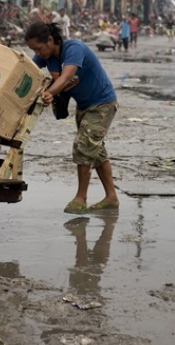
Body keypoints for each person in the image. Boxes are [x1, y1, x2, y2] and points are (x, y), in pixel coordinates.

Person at [25, 21, 119, 214]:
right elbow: (27, 68)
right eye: (34, 49)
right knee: (96, 151)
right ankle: (111, 197)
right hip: (84, 106)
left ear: (51, 40)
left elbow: (66, 78)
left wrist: (49, 93)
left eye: (39, 48)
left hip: (102, 104)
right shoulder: (47, 57)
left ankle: (81, 198)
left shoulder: (74, 49)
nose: (38, 52)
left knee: (83, 147)